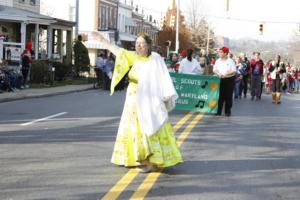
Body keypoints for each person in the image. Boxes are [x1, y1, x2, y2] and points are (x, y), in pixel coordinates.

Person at [92, 31, 182, 172]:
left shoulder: (156, 59)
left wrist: (164, 96)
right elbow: (118, 51)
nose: (138, 46)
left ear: (148, 46)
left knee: (149, 125)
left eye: (142, 43)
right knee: (133, 127)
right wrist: (103, 41)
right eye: (137, 43)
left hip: (150, 98)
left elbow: (163, 78)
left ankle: (151, 160)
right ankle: (134, 157)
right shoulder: (134, 57)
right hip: (133, 97)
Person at [213, 47, 236, 116]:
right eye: (219, 52)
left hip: (229, 80)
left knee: (228, 96)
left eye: (221, 52)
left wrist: (226, 74)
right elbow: (214, 69)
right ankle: (218, 111)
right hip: (219, 79)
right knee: (219, 96)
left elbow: (234, 71)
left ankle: (227, 111)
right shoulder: (218, 61)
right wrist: (218, 74)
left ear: (225, 53)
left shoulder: (230, 61)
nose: (219, 53)